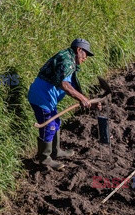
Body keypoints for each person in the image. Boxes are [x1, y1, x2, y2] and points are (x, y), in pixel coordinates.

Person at [28, 38, 96, 169]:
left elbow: (72, 84)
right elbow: (64, 85)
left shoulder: (69, 59)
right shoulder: (67, 61)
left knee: (56, 123)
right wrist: (82, 99)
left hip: (47, 99)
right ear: (79, 50)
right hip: (41, 98)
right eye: (86, 54)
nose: (86, 58)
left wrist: (86, 99)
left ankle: (56, 151)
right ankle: (44, 159)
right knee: (49, 126)